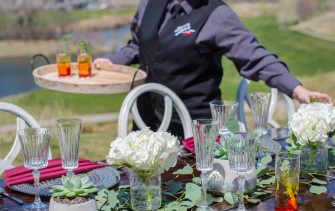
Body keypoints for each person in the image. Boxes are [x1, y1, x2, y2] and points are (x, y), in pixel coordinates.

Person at [94, 0, 331, 138]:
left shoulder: (217, 15)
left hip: (194, 135)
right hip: (144, 124)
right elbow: (138, 44)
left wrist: (297, 89)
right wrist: (113, 62)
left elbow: (256, 57)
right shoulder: (149, 3)